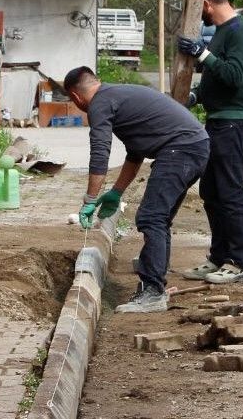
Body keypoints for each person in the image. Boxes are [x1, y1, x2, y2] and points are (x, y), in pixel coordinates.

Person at [65, 66, 209, 313]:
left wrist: (90, 199)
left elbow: (100, 152)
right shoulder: (119, 96)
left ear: (76, 98)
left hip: (180, 149)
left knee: (151, 217)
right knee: (159, 218)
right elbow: (136, 154)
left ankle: (152, 291)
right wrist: (116, 192)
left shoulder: (100, 103)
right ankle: (154, 280)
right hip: (194, 146)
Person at [176, 0, 243, 284]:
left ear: (206, 3)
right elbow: (216, 76)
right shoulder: (224, 33)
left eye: (194, 7)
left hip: (235, 122)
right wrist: (196, 96)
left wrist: (202, 54)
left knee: (231, 191)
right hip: (218, 120)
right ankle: (217, 256)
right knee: (211, 190)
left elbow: (235, 75)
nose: (194, 14)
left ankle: (237, 260)